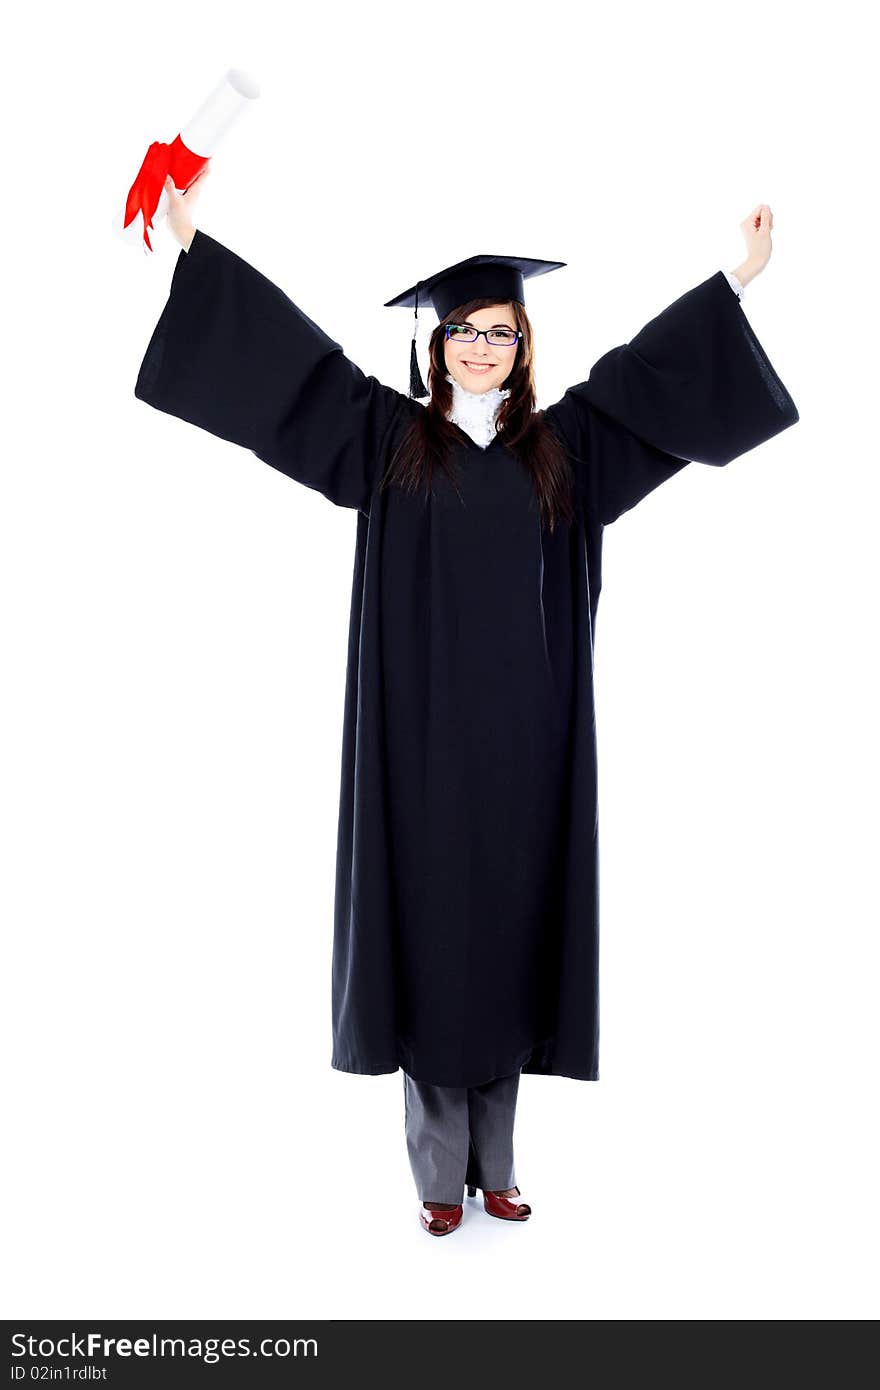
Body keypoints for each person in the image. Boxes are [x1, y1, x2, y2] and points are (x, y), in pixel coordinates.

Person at [135, 168, 799, 1238]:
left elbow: (655, 382)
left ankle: (502, 1165)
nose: (480, 347)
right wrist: (187, 248)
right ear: (434, 344)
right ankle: (440, 1180)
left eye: (499, 331)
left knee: (515, 943)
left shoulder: (567, 450)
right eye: (462, 332)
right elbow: (289, 374)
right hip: (419, 752)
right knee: (436, 944)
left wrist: (737, 275)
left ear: (523, 345)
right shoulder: (388, 441)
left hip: (534, 753)